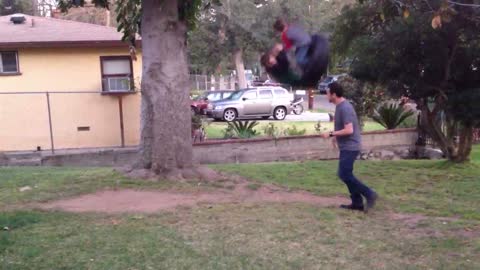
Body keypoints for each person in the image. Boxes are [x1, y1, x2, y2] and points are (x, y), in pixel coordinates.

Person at [321, 82, 378, 212]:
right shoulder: (340, 106)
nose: (326, 96)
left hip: (351, 146)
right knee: (345, 174)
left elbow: (349, 130)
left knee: (344, 174)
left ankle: (370, 194)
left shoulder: (345, 108)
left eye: (328, 93)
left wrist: (330, 134)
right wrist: (336, 137)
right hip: (346, 146)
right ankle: (357, 203)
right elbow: (343, 127)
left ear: (334, 94)